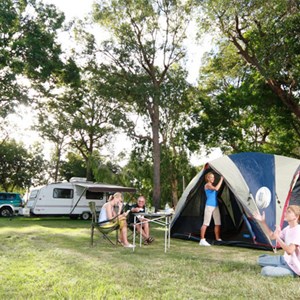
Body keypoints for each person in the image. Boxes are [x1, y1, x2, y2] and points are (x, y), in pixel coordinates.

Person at [253, 205, 300, 277]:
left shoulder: (298, 231)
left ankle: (285, 271)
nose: (285, 213)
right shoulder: (288, 228)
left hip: (293, 267)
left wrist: (277, 237)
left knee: (265, 271)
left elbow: (290, 251)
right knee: (260, 259)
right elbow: (272, 236)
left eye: (289, 212)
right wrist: (263, 222)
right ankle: (278, 266)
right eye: (286, 211)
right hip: (285, 259)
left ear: (296, 217)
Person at [199, 172, 224, 246]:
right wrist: (221, 179)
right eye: (211, 177)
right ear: (208, 178)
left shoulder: (211, 185)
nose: (213, 179)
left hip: (215, 206)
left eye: (213, 177)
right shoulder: (207, 185)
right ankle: (202, 240)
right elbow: (216, 189)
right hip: (209, 206)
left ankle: (217, 238)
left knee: (218, 223)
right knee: (206, 223)